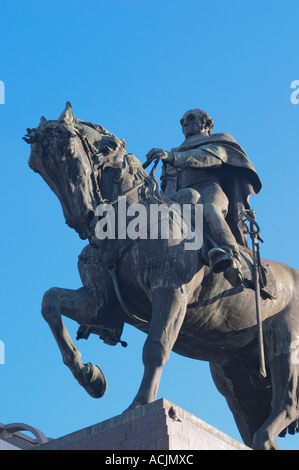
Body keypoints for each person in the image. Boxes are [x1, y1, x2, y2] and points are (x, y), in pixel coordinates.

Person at [146, 109, 262, 287]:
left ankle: (230, 257)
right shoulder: (172, 153)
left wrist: (173, 157)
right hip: (180, 198)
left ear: (207, 124)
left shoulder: (218, 141)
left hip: (209, 191)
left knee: (209, 209)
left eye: (191, 118)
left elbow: (209, 157)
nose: (184, 122)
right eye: (182, 120)